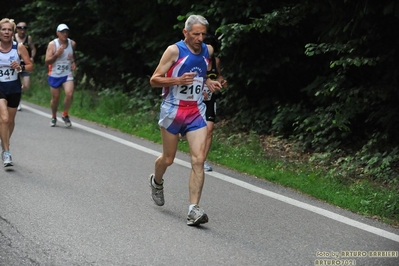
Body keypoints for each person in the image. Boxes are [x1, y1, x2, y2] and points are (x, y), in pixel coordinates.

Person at [149, 15, 222, 226]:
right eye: (195, 34)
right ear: (185, 33)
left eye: (203, 34)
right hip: (173, 110)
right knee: (168, 159)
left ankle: (193, 210)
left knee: (198, 159)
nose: (200, 38)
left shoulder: (208, 51)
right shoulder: (174, 51)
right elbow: (154, 80)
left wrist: (208, 82)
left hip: (196, 111)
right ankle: (157, 181)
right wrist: (178, 80)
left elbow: (201, 74)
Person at [0, 18, 33, 167]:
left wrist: (20, 67)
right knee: (5, 119)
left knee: (11, 121)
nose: (6, 32)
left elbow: (30, 66)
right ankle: (7, 152)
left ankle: (4, 141)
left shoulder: (19, 47)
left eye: (9, 30)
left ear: (13, 32)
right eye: (3, 29)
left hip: (13, 86)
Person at [203, 34, 227, 172]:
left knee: (209, 130)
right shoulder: (196, 61)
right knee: (190, 131)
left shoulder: (216, 61)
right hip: (194, 99)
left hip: (210, 99)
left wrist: (222, 81)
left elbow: (218, 75)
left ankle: (202, 161)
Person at [45, 23, 76, 127]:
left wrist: (73, 62)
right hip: (54, 74)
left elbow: (72, 55)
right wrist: (57, 54)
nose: (65, 34)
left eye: (66, 32)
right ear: (57, 33)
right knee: (56, 98)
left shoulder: (72, 43)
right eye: (62, 32)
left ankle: (65, 114)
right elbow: (47, 61)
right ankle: (53, 116)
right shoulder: (52, 45)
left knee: (70, 93)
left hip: (67, 74)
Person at [14, 21, 36, 111]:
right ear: (17, 29)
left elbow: (33, 48)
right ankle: (16, 100)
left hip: (25, 64)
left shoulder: (28, 38)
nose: (22, 31)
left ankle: (16, 95)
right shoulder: (13, 38)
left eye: (24, 28)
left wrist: (32, 57)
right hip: (15, 64)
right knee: (15, 83)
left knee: (26, 85)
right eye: (20, 28)